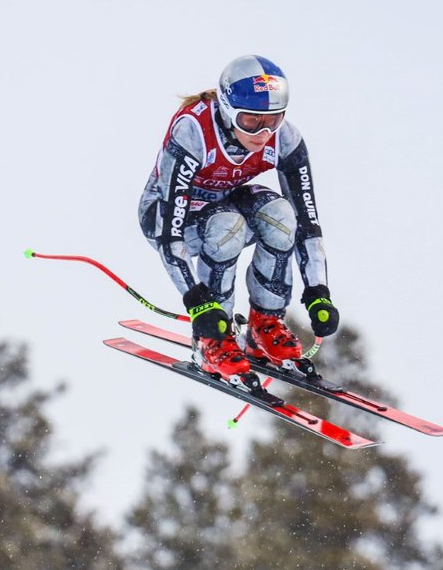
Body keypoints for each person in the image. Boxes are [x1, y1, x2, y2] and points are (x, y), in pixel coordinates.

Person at [138, 55, 339, 384]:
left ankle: (264, 324)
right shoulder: (193, 131)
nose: (262, 133)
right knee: (227, 226)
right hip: (166, 218)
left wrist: (318, 291)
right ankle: (212, 342)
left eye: (273, 120)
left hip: (222, 204)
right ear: (228, 109)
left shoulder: (285, 139)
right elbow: (168, 234)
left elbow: (307, 224)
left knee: (281, 218)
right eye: (250, 121)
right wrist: (198, 303)